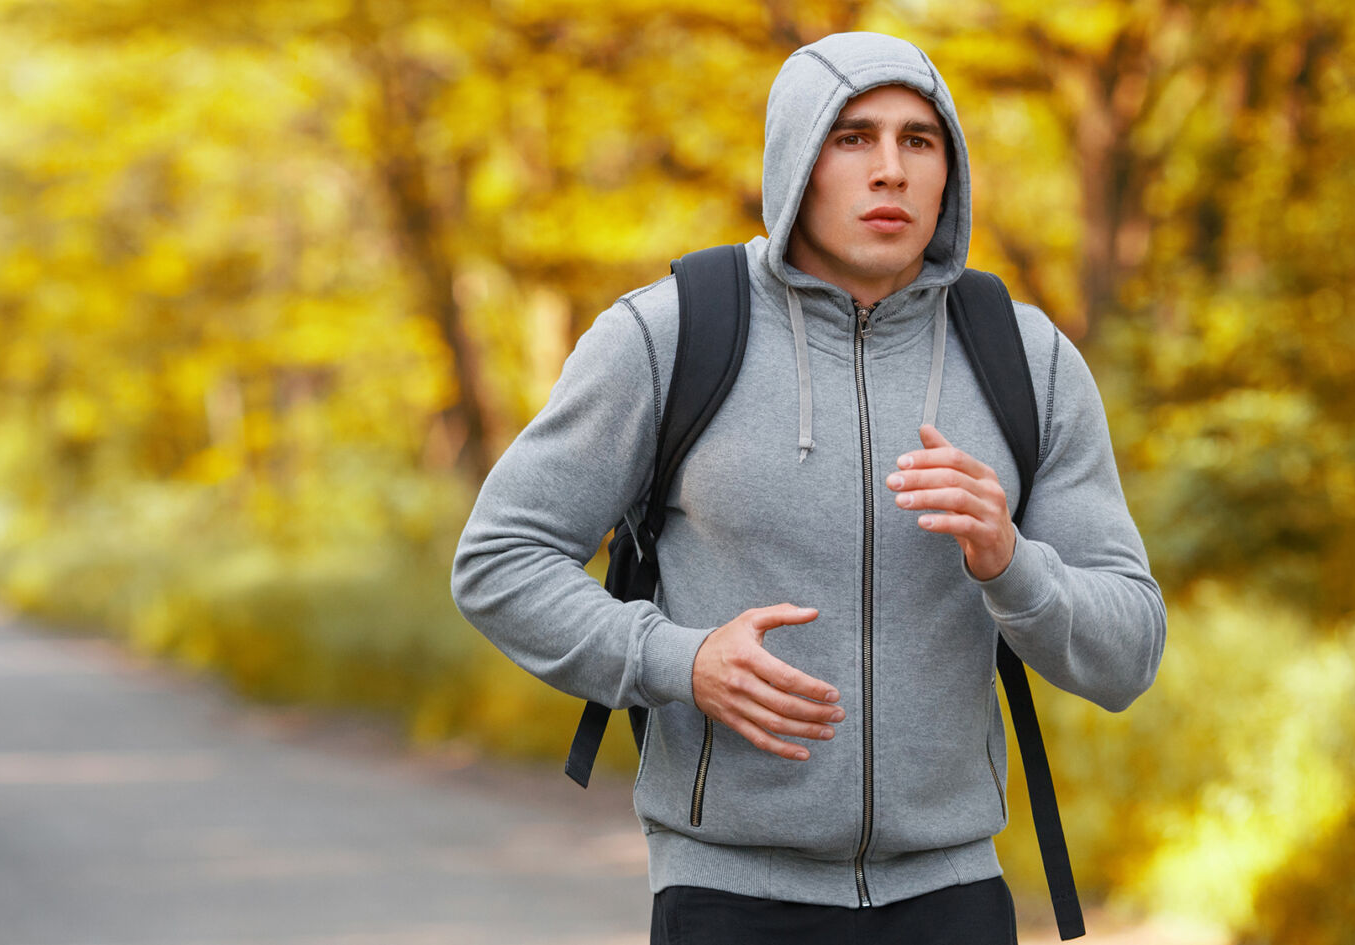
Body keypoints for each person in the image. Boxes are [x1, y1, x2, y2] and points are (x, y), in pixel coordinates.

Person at [451, 31, 1165, 945]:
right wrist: (681, 660)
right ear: (796, 158)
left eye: (919, 140)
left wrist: (1011, 562)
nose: (890, 172)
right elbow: (499, 560)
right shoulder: (667, 336)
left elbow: (1128, 648)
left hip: (956, 895)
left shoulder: (1028, 362)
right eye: (852, 136)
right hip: (728, 895)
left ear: (950, 169)